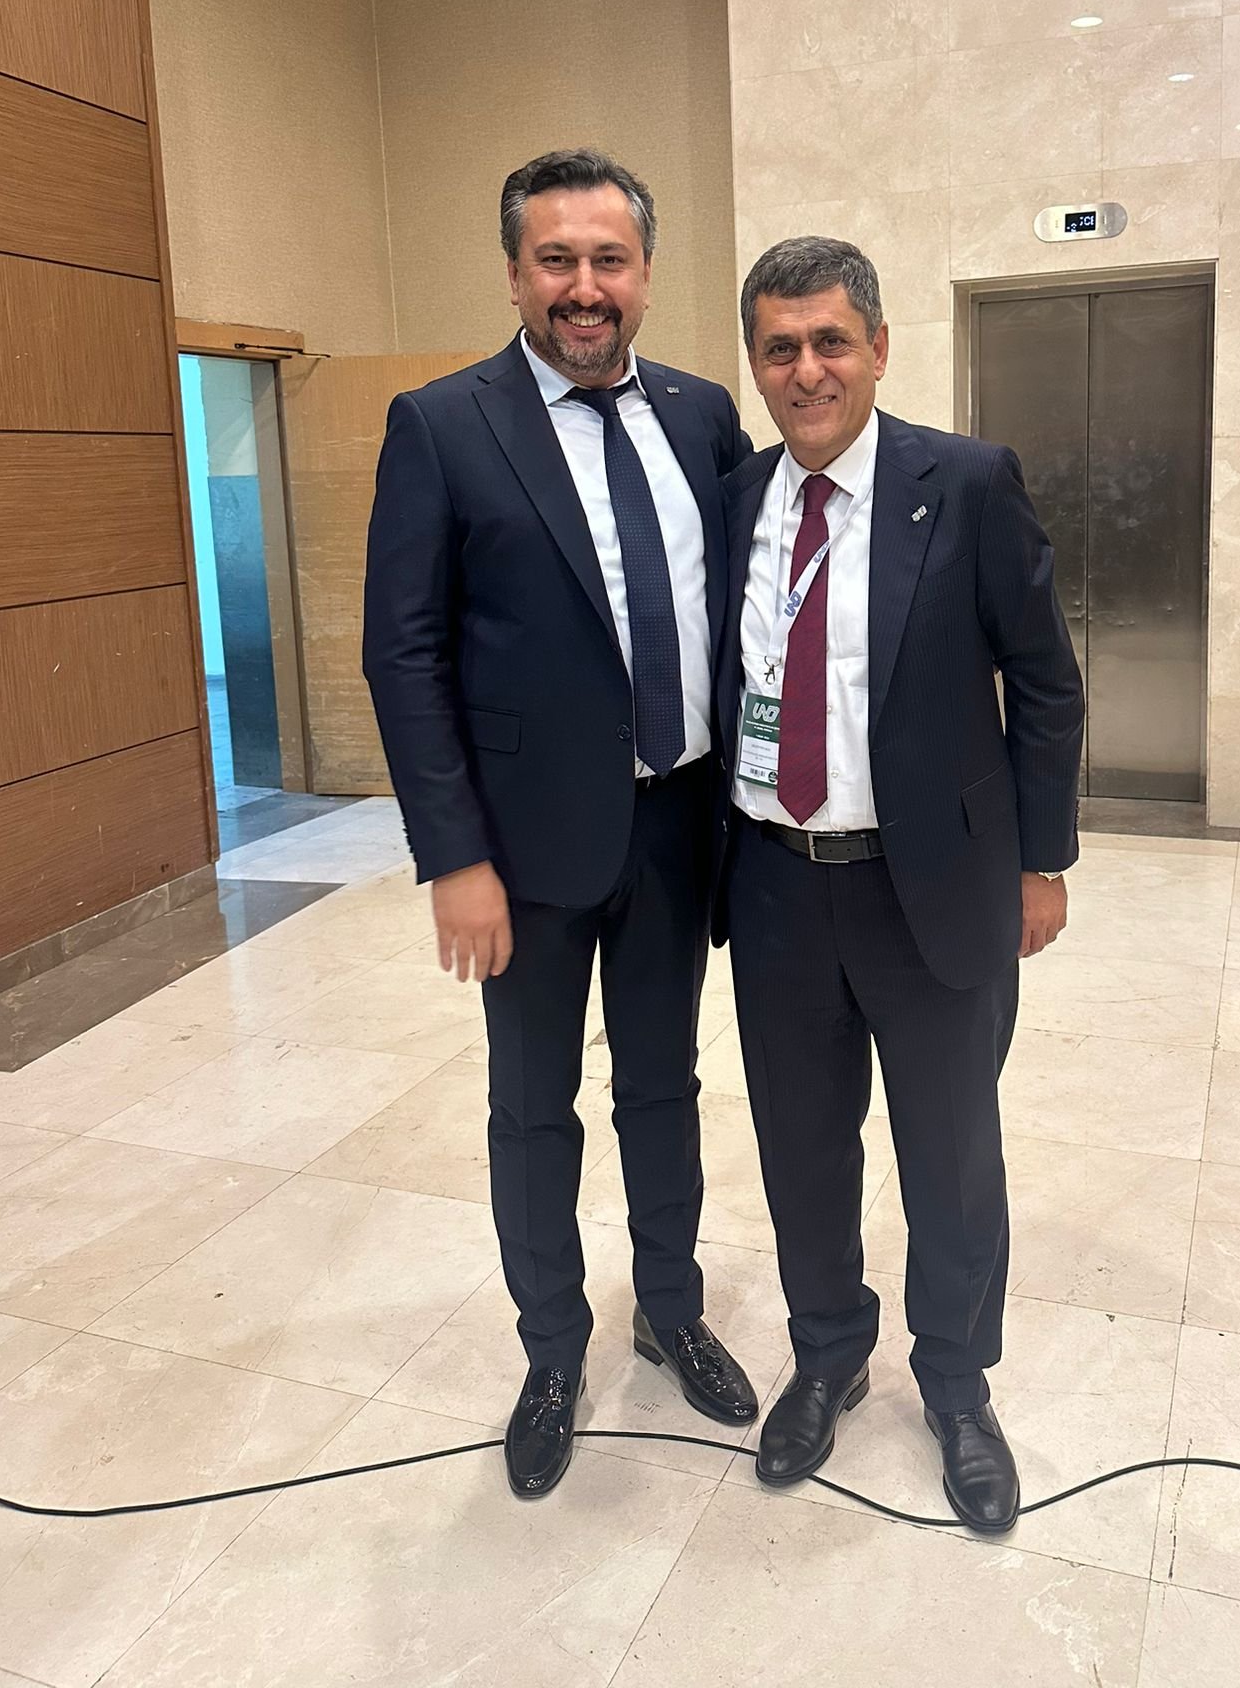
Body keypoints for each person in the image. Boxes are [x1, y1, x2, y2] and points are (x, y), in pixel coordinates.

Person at [363, 149, 757, 1501]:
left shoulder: (703, 416)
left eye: (609, 260)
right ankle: (551, 1353)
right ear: (515, 273)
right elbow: (402, 655)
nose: (584, 287)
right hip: (522, 854)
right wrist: (454, 857)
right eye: (556, 261)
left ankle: (670, 1310)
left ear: (645, 273)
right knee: (534, 1109)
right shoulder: (442, 425)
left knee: (664, 1088)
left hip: (679, 826)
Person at [715, 235, 1084, 1533]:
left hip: (931, 887)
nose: (806, 370)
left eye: (830, 340)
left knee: (951, 1152)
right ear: (755, 363)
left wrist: (1042, 860)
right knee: (801, 1147)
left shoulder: (965, 484)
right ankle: (827, 1353)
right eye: (780, 347)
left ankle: (958, 1385)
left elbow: (1045, 681)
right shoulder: (737, 501)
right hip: (774, 886)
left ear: (878, 348)